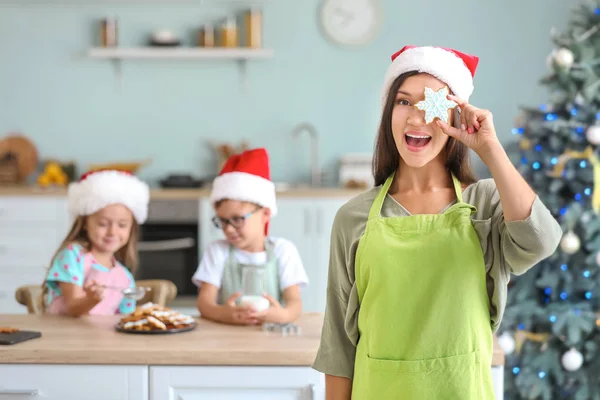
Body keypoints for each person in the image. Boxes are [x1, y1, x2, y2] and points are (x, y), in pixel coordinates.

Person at [312, 45, 563, 399]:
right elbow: (338, 346)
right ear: (389, 113)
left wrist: (490, 149)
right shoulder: (353, 217)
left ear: (455, 116)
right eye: (403, 102)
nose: (416, 118)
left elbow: (542, 241)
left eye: (432, 102)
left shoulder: (486, 203)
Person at [193, 148, 309, 326]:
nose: (229, 229)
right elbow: (204, 303)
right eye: (223, 221)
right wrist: (223, 314)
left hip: (271, 336)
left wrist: (284, 315)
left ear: (265, 214)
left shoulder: (283, 250)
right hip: (228, 336)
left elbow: (295, 303)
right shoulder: (217, 251)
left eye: (237, 219)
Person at [42, 169, 150, 317]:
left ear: (131, 228)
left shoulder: (125, 278)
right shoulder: (73, 256)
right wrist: (92, 299)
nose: (112, 232)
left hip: (102, 340)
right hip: (64, 337)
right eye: (103, 224)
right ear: (85, 223)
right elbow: (73, 308)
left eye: (122, 225)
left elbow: (125, 320)